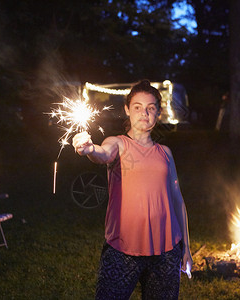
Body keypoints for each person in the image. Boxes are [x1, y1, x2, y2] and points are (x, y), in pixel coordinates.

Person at [72, 79, 193, 299]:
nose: (144, 113)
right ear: (127, 110)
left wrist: (186, 247)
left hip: (166, 251)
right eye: (137, 107)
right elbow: (102, 153)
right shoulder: (117, 143)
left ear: (158, 113)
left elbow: (177, 199)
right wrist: (89, 149)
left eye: (151, 108)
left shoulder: (165, 152)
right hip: (123, 249)